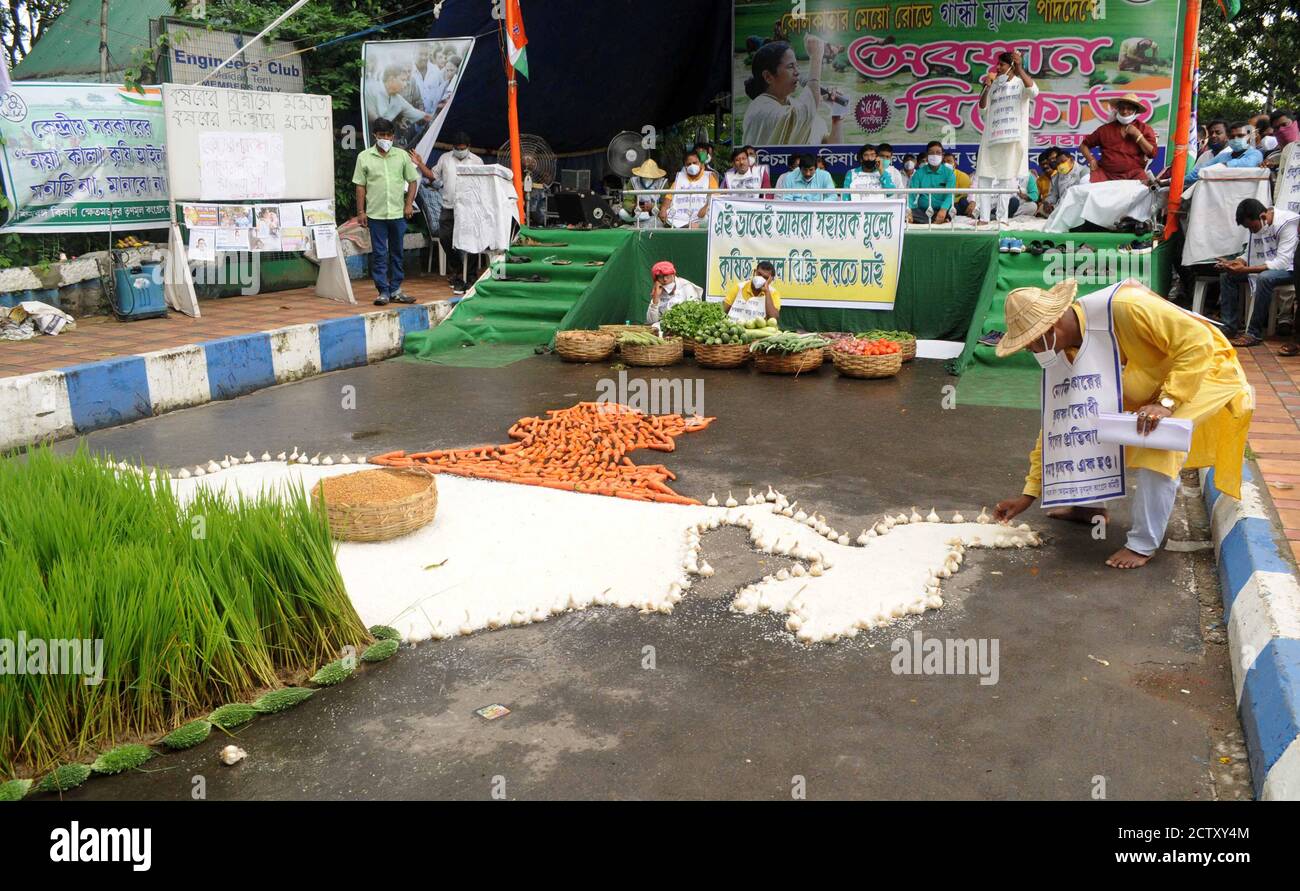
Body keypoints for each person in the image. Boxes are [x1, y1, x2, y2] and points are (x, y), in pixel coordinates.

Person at [993, 278, 1252, 569]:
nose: (1032, 352)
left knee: (1157, 441)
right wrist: (1028, 494)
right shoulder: (1067, 352)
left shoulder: (1128, 306)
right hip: (1145, 383)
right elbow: (1059, 427)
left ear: (1050, 330)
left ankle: (1143, 544)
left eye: (1031, 345)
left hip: (1205, 371)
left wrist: (1167, 402)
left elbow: (1198, 344)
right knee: (1083, 423)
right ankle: (1088, 506)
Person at [352, 118, 419, 306]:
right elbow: (360, 186)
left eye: (389, 135)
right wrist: (360, 211)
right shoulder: (364, 157)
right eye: (382, 135)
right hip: (375, 214)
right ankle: (383, 291)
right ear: (375, 135)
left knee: (397, 252)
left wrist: (408, 205)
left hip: (398, 213)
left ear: (393, 136)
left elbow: (413, 181)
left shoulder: (401, 156)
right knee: (380, 254)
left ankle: (396, 289)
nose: (386, 139)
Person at [1216, 198, 1299, 347]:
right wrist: (1236, 262)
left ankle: (1254, 333)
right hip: (1269, 268)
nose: (1251, 231)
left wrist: (1245, 269)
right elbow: (1250, 253)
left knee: (1264, 278)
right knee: (1227, 275)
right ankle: (1229, 326)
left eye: (1251, 227)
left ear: (1262, 216)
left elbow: (1282, 262)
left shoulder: (1287, 224)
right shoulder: (1259, 225)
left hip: (1291, 270)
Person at [974, 49, 1039, 223]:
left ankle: (1002, 218)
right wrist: (987, 87)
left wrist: (1020, 69)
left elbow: (1034, 91)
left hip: (1011, 139)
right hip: (990, 139)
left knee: (1006, 179)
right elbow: (982, 109)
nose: (997, 67)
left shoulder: (1020, 83)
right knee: (984, 177)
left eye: (1001, 64)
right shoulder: (994, 85)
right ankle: (984, 218)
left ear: (1011, 66)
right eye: (997, 64)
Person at [742, 37, 843, 146]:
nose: (797, 72)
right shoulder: (760, 108)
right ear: (768, 77)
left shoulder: (795, 105)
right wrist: (816, 58)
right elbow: (804, 112)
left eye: (797, 66)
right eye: (790, 66)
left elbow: (831, 149)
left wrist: (837, 116)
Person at [430, 131, 484, 292]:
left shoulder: (477, 161)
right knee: (445, 238)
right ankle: (458, 269)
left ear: (468, 147)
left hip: (469, 208)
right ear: (452, 147)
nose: (459, 151)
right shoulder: (445, 158)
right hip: (449, 206)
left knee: (472, 241)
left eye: (462, 148)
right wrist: (419, 164)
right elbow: (433, 176)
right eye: (457, 148)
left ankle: (471, 274)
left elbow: (482, 183)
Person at [1080, 93, 1158, 183]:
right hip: (1106, 173)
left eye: (1129, 108)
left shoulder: (1144, 128)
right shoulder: (1105, 129)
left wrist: (1138, 135)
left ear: (1136, 111)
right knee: (1084, 181)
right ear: (1117, 109)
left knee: (1147, 191)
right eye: (1122, 108)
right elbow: (1083, 145)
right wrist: (1091, 159)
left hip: (1134, 174)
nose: (1125, 111)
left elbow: (1153, 154)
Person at [365, 65, 433, 145]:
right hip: (367, 139)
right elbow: (374, 119)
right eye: (403, 80)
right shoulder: (370, 89)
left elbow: (415, 113)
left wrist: (432, 119)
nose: (406, 84)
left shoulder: (397, 99)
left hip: (384, 141)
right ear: (391, 79)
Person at [1184, 121, 1262, 186]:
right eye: (1232, 136)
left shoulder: (1256, 154)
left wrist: (1223, 166)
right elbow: (1202, 168)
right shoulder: (1222, 157)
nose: (1235, 139)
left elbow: (1248, 164)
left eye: (1240, 136)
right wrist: (1180, 181)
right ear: (1228, 137)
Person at [660, 151, 719, 228]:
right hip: (678, 218)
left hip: (701, 217)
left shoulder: (709, 177)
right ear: (685, 166)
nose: (692, 166)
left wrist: (706, 207)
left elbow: (715, 196)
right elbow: (669, 197)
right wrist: (663, 209)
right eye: (689, 164)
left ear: (700, 163)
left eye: (695, 163)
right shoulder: (679, 178)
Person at [908, 142, 956, 223]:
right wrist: (908, 211)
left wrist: (943, 209)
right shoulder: (919, 173)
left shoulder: (949, 173)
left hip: (942, 210)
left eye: (938, 153)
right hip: (923, 211)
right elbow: (911, 195)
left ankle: (937, 219)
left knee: (951, 211)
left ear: (942, 156)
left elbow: (950, 195)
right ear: (927, 156)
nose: (935, 155)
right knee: (910, 213)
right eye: (931, 153)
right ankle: (936, 221)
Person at [645, 260, 703, 328]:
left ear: (673, 274)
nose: (665, 279)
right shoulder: (658, 291)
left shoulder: (686, 287)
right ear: (656, 280)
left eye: (667, 275)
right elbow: (651, 321)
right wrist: (655, 298)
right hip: (663, 330)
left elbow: (695, 314)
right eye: (661, 277)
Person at [1042, 150, 1088, 215]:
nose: (1061, 165)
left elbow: (1084, 194)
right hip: (1059, 206)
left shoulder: (1083, 171)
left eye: (1063, 162)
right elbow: (1053, 195)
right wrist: (1047, 202)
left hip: (1078, 206)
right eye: (1058, 163)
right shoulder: (1057, 176)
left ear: (1071, 160)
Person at [944, 151, 973, 216]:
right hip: (944, 205)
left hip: (957, 204)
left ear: (955, 163)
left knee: (963, 202)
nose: (946, 164)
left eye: (949, 161)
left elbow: (965, 196)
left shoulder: (963, 176)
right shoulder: (937, 177)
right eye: (943, 162)